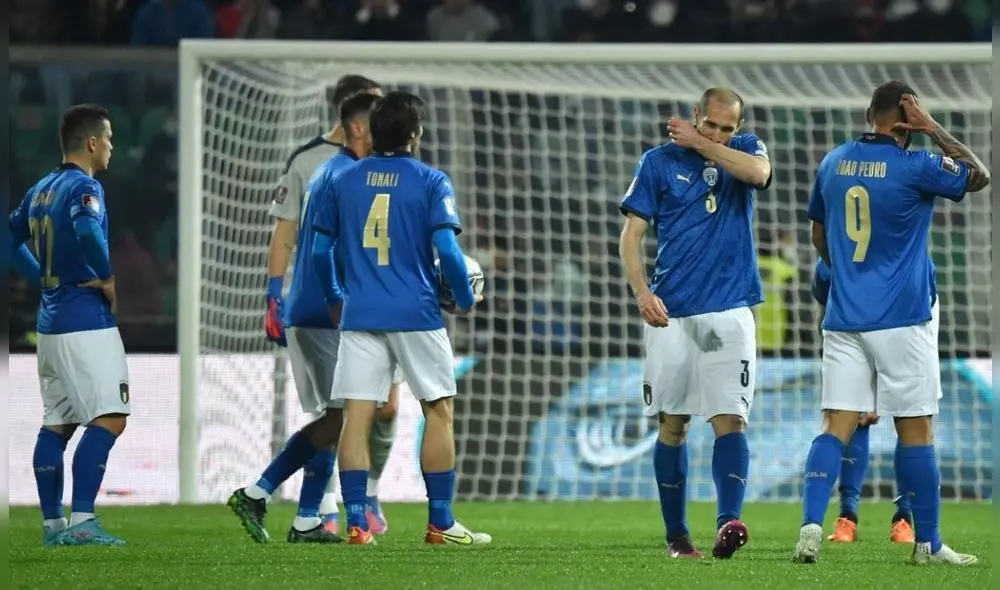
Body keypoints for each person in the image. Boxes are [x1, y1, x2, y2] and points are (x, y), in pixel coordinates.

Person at [794, 81, 989, 565]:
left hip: (843, 314)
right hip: (902, 317)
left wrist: (848, 275)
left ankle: (812, 527)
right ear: (908, 117)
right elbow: (980, 175)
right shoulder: (917, 164)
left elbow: (818, 232)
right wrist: (933, 128)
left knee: (834, 424)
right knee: (916, 430)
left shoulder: (833, 161)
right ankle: (928, 543)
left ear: (868, 112)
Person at [310, 91, 490, 546]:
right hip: (417, 312)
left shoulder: (343, 180)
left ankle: (355, 524)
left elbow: (317, 251)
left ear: (372, 132)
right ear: (415, 133)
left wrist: (336, 296)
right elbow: (448, 250)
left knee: (357, 416)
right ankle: (441, 524)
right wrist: (465, 297)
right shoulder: (431, 181)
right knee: (439, 411)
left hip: (361, 313)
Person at [618, 87, 771, 559]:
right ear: (695, 115)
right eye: (711, 124)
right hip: (673, 315)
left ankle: (729, 523)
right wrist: (642, 293)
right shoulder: (657, 162)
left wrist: (705, 145)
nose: (721, 133)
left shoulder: (744, 151)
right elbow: (631, 235)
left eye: (729, 127)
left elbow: (760, 175)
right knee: (674, 424)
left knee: (731, 420)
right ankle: (678, 537)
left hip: (729, 310)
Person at [229, 92, 386, 543]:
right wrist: (332, 301)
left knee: (335, 415)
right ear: (358, 127)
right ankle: (258, 492)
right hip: (323, 312)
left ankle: (306, 520)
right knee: (341, 414)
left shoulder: (332, 170)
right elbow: (324, 249)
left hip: (315, 310)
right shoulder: (345, 174)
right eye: (377, 125)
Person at [8, 104, 128, 546]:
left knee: (56, 423)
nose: (113, 148)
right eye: (110, 139)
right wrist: (107, 275)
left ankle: (53, 525)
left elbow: (8, 239)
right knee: (110, 416)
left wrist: (39, 275)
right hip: (85, 320)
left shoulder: (40, 189)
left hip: (51, 323)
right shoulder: (84, 187)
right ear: (93, 142)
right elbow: (87, 231)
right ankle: (82, 521)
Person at [811, 259, 920, 545]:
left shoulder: (907, 257)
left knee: (910, 415)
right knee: (852, 414)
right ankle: (847, 516)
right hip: (850, 323)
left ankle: (904, 518)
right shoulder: (832, 263)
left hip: (908, 318)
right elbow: (824, 291)